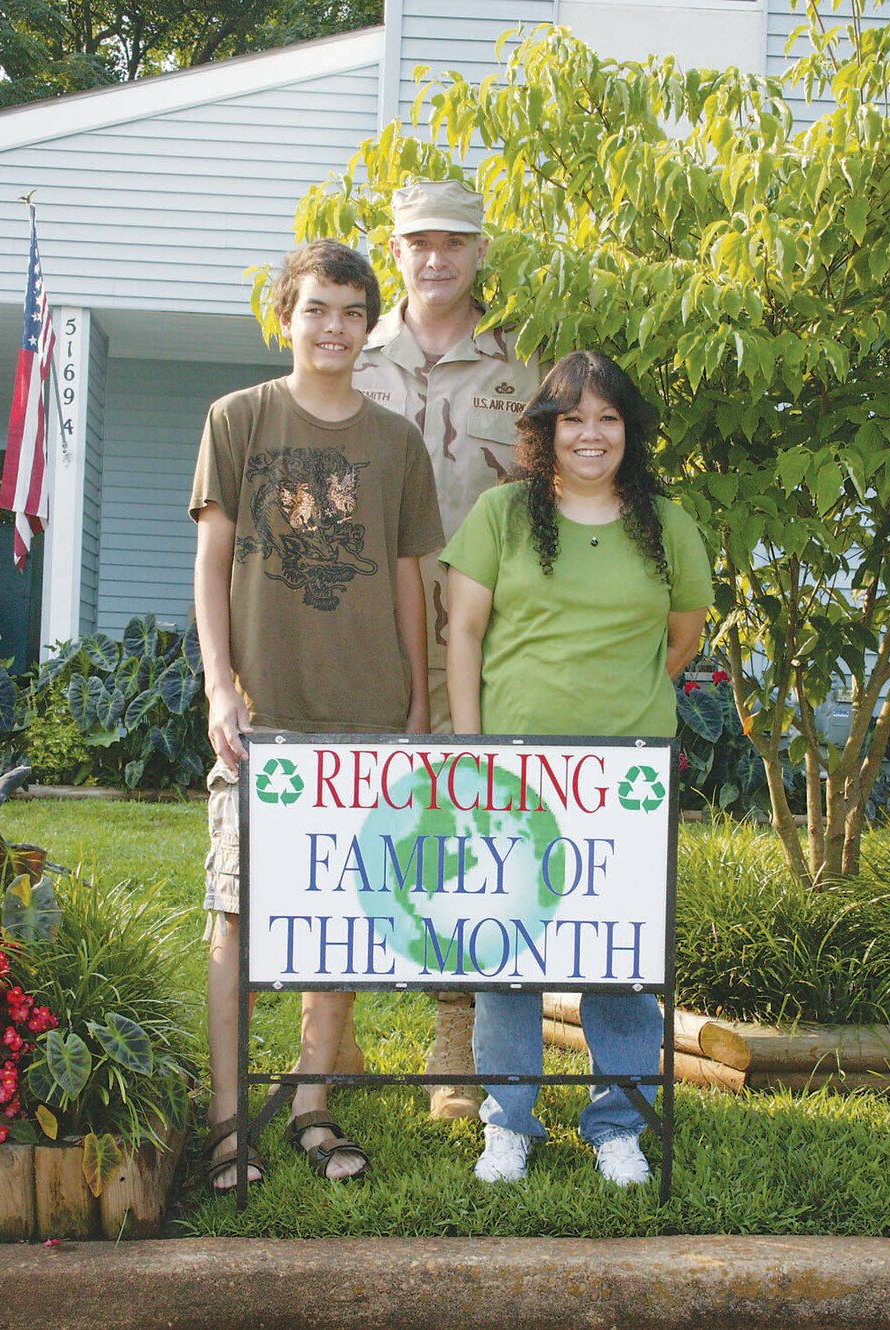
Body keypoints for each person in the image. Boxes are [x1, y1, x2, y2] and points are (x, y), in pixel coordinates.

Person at [189, 239, 443, 1190]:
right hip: (264, 717)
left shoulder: (396, 442)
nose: (333, 328)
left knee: (339, 918)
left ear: (368, 323)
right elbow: (211, 567)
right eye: (316, 309)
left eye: (350, 312)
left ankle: (311, 1105)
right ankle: (226, 1125)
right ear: (286, 316)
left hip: (369, 716)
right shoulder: (239, 419)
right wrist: (222, 686)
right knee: (239, 916)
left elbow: (412, 579)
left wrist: (418, 703)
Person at [439, 350, 711, 1187]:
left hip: (627, 781)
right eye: (573, 418)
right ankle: (509, 1123)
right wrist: (476, 754)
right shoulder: (501, 515)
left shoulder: (666, 524)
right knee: (507, 952)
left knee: (618, 957)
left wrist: (620, 709)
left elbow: (683, 637)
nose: (590, 435)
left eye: (608, 418)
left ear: (630, 431)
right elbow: (465, 637)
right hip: (514, 773)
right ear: (545, 430)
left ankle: (617, 1124)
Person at [353, 178, 541, 1120]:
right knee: (345, 811)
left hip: (477, 637)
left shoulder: (524, 372)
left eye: (454, 243)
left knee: (463, 825)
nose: (436, 258)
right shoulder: (352, 352)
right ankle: (330, 1026)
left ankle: (457, 1033)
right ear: (396, 250)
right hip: (355, 629)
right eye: (419, 241)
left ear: (479, 254)